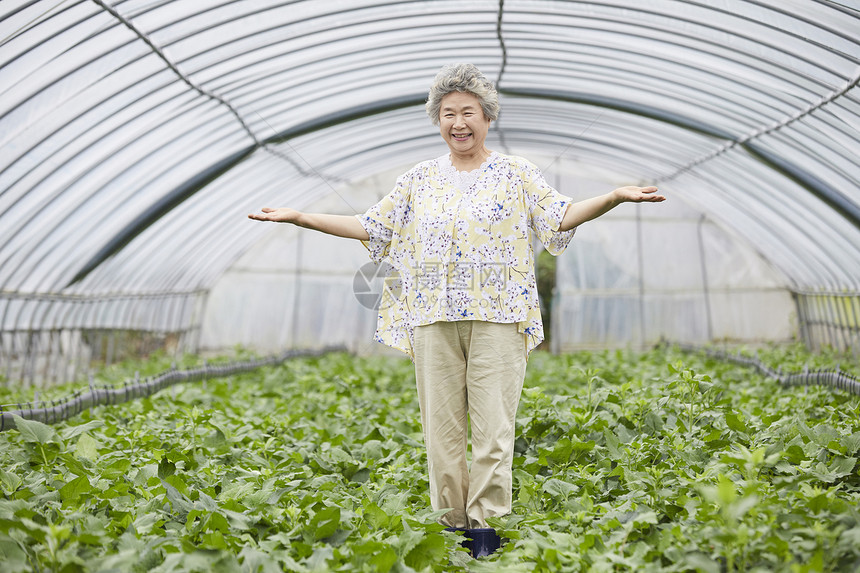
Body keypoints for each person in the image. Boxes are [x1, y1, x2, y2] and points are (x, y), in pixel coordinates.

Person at [249, 63, 665, 557]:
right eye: (448, 113)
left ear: (488, 118)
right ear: (438, 121)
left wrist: (614, 197)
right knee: (441, 433)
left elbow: (560, 216)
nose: (458, 122)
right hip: (431, 318)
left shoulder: (516, 174)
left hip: (499, 317)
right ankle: (451, 527)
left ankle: (486, 531)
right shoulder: (419, 180)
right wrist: (301, 217)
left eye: (469, 112)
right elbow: (369, 226)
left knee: (493, 429)